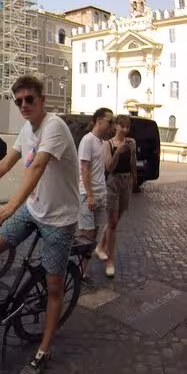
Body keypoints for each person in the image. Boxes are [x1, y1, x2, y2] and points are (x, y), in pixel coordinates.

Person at [0, 75, 79, 374]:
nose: (24, 105)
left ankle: (43, 349)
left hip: (60, 219)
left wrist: (10, 205)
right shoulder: (26, 128)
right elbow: (5, 164)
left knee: (52, 287)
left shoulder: (54, 127)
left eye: (29, 100)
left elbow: (37, 166)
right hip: (34, 209)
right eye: (19, 100)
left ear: (42, 100)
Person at [98, 114, 137, 277]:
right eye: (123, 126)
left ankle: (100, 246)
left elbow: (133, 164)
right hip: (113, 182)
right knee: (113, 223)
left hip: (126, 182)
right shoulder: (108, 144)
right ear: (116, 127)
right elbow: (110, 168)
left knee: (114, 221)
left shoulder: (131, 142)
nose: (125, 130)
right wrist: (118, 152)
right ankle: (110, 261)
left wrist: (133, 153)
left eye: (128, 127)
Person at [77, 108, 113, 284]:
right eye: (110, 121)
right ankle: (78, 272)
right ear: (99, 120)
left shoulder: (101, 142)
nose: (111, 125)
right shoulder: (88, 140)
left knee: (93, 235)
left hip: (100, 192)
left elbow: (104, 168)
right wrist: (90, 195)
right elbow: (84, 169)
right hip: (87, 194)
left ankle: (83, 271)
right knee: (86, 235)